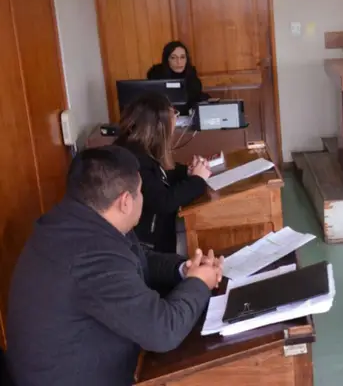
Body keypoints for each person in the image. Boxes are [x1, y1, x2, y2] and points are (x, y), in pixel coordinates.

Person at [5, 145, 223, 386]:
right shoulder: (89, 253)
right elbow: (163, 331)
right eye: (140, 192)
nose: (142, 199)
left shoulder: (78, 220)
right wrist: (199, 283)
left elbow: (137, 259)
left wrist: (184, 269)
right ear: (125, 202)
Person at [114, 93, 211, 254]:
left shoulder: (135, 147)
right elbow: (163, 201)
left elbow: (159, 176)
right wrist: (197, 180)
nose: (176, 121)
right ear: (159, 127)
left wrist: (186, 172)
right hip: (147, 249)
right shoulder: (134, 160)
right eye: (174, 115)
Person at [147, 41, 209, 105]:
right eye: (173, 58)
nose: (179, 62)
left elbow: (196, 97)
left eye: (182, 57)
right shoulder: (157, 77)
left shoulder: (192, 77)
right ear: (167, 59)